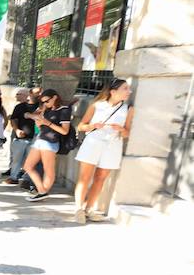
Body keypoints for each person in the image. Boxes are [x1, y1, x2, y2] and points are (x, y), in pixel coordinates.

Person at [73, 78, 134, 223]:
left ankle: (89, 209)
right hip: (93, 142)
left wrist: (121, 129)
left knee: (100, 178)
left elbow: (127, 134)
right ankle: (78, 209)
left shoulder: (128, 109)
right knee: (84, 178)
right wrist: (93, 125)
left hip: (113, 146)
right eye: (125, 89)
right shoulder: (97, 105)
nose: (129, 92)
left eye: (129, 89)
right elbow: (81, 126)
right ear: (113, 92)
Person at [23, 88, 71, 202]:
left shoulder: (64, 110)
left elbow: (64, 131)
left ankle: (42, 192)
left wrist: (47, 123)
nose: (45, 103)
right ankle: (42, 191)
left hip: (51, 142)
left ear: (55, 97)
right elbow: (41, 126)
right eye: (43, 102)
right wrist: (39, 122)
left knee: (48, 170)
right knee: (27, 166)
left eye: (47, 101)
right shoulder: (47, 109)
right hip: (40, 139)